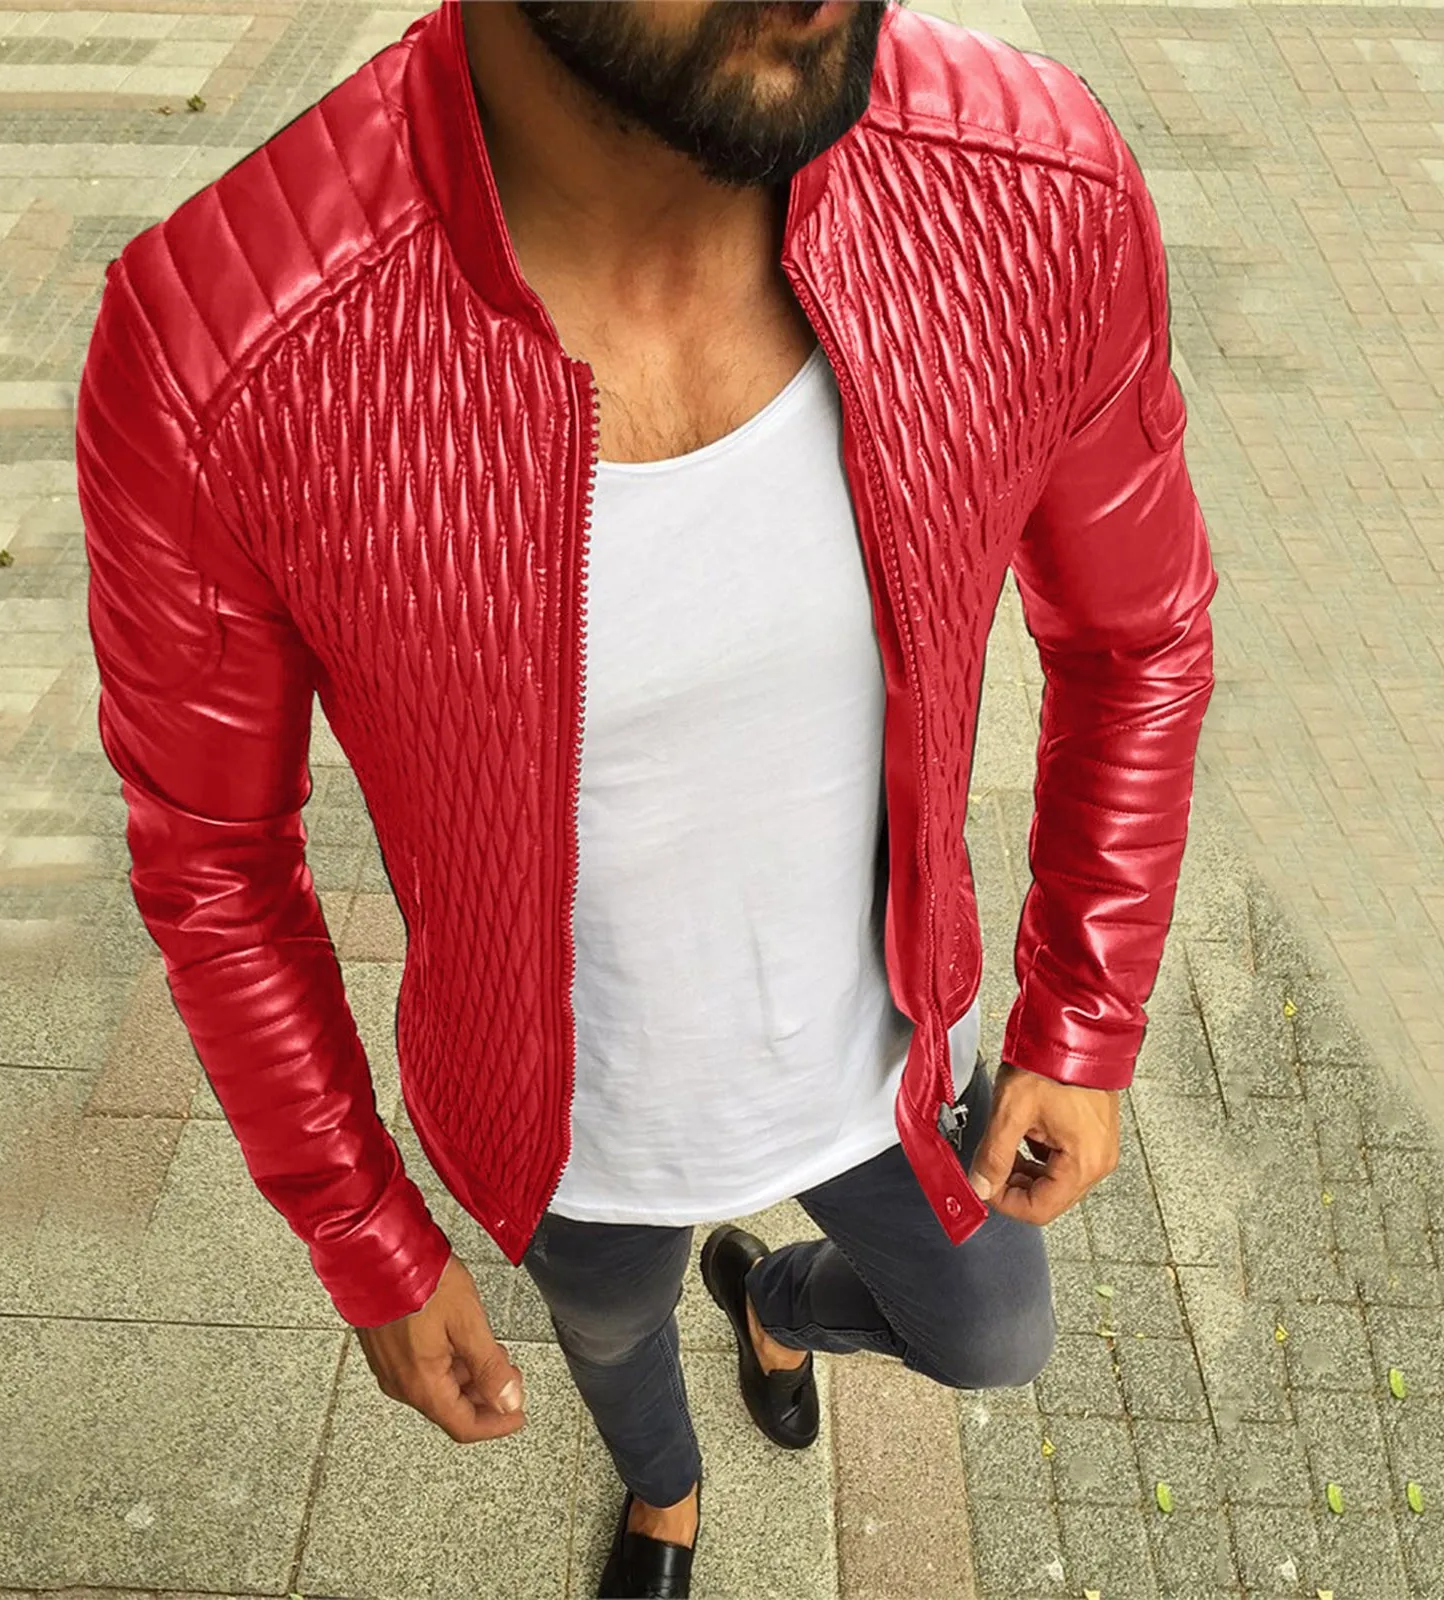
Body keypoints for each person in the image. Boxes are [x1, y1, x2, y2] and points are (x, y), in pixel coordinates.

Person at [75, 2, 1217, 1595]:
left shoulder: (1029, 187)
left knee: (992, 1335)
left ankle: (774, 1303)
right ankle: (666, 1495)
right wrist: (366, 1232)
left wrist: (1083, 1016)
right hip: (570, 1131)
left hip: (892, 1053)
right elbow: (213, 862)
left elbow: (1137, 636)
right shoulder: (225, 344)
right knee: (612, 1344)